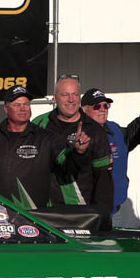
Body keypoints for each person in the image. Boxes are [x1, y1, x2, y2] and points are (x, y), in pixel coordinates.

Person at [32, 75, 113, 213]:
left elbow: (103, 181)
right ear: (55, 98)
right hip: (44, 212)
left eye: (75, 94)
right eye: (65, 94)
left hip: (81, 213)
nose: (71, 99)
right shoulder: (38, 125)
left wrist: (102, 217)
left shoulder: (95, 130)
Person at [0, 85, 67, 209]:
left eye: (26, 104)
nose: (23, 109)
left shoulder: (46, 138)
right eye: (17, 105)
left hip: (36, 216)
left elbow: (68, 163)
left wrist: (78, 152)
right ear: (6, 108)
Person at [79, 87, 140, 214]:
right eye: (97, 106)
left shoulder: (114, 129)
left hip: (115, 208)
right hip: (89, 209)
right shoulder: (79, 133)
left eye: (106, 105)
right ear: (84, 109)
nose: (103, 109)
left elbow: (133, 133)